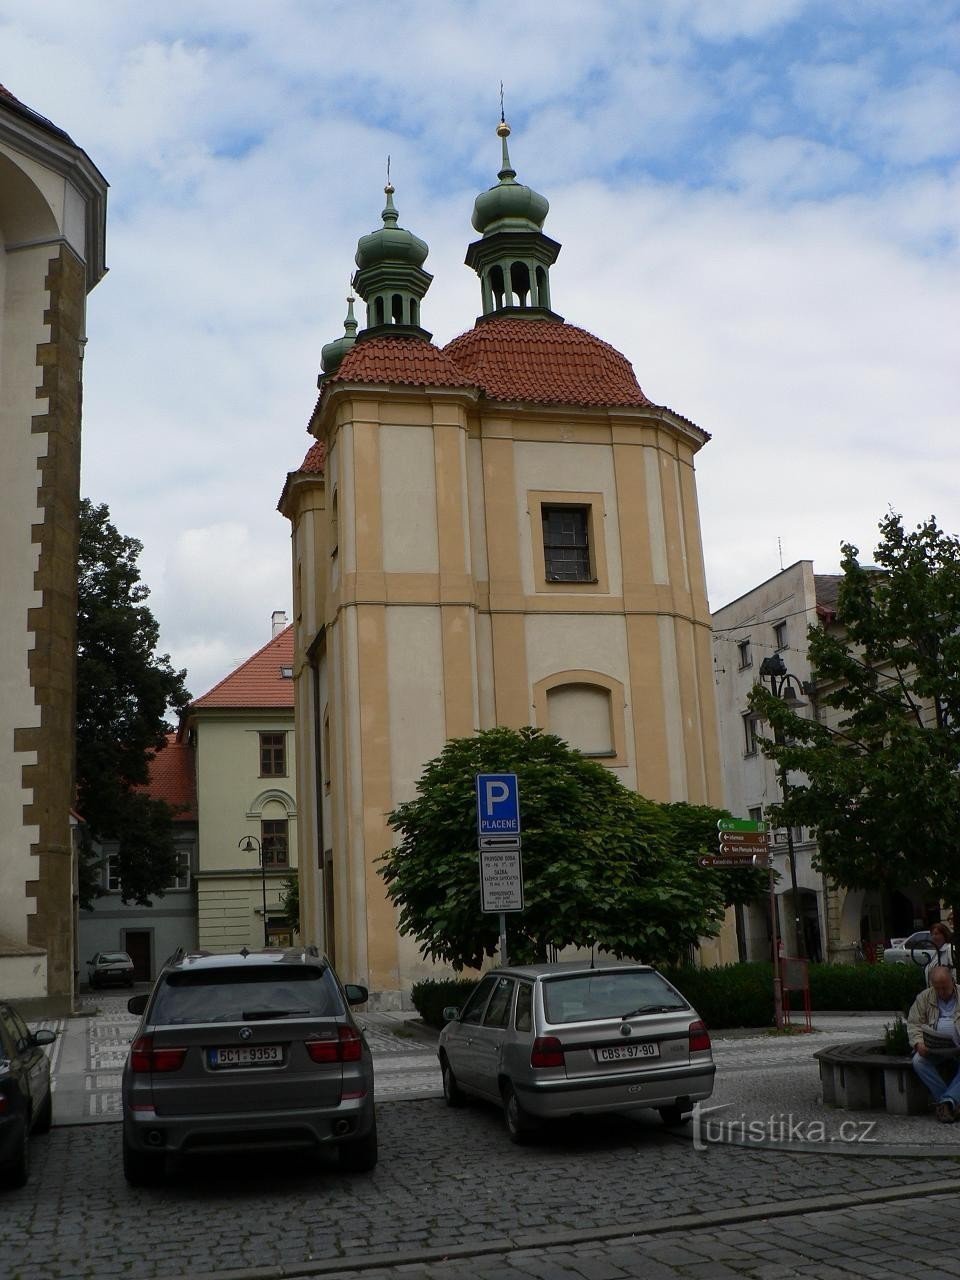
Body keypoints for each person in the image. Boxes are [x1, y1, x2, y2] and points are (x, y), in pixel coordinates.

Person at [908, 965, 960, 1122]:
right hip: (934, 1049)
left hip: (958, 1048)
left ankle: (945, 1103)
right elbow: (913, 1024)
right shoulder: (924, 998)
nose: (942, 992)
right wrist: (918, 1043)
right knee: (918, 1061)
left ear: (953, 981)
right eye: (938, 989)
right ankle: (950, 1102)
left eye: (945, 988)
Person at [925, 922, 955, 986]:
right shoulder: (935, 953)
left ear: (944, 935)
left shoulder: (949, 949)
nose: (933, 937)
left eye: (936, 934)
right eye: (932, 934)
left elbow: (955, 974)